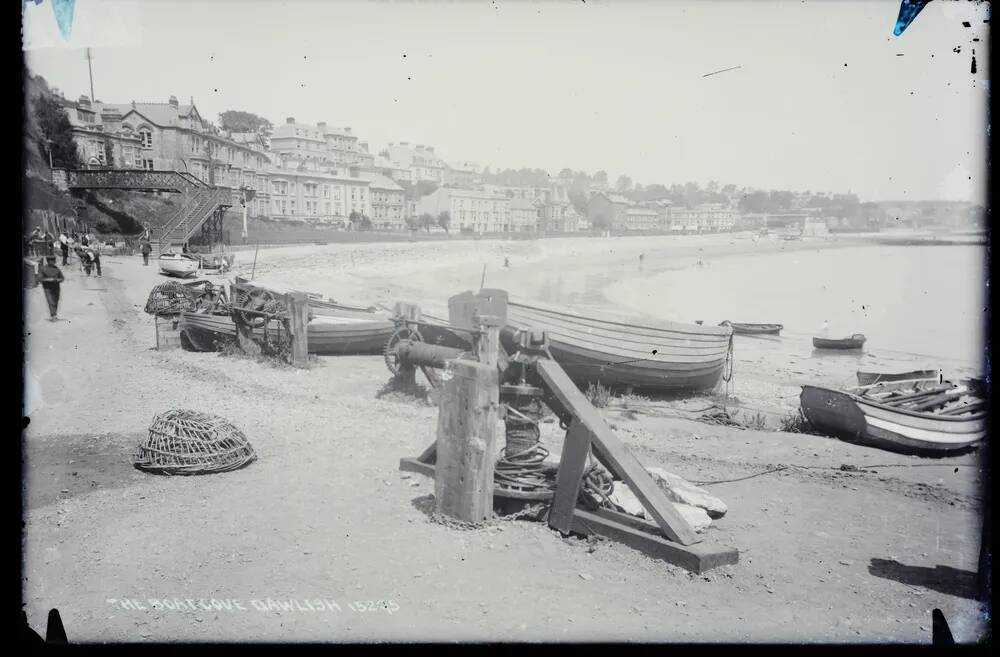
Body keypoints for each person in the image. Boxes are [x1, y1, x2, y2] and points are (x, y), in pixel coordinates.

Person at [38, 256, 64, 321]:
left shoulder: (57, 269)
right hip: (47, 288)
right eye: (52, 260)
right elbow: (40, 279)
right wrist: (48, 279)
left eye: (54, 260)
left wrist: (58, 280)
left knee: (55, 301)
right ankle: (53, 315)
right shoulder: (43, 269)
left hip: (56, 287)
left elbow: (62, 278)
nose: (53, 262)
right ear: (48, 261)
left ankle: (54, 314)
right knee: (50, 301)